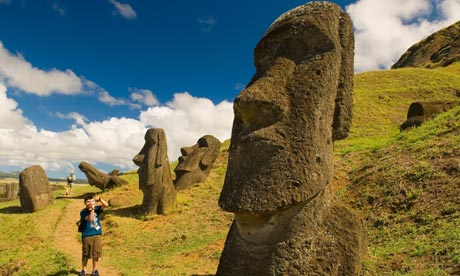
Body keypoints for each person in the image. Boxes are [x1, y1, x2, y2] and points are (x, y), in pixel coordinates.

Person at [79, 194, 109, 276]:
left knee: (96, 253)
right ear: (85, 203)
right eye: (88, 201)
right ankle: (83, 270)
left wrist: (100, 199)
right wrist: (92, 209)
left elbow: (106, 205)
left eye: (92, 201)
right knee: (86, 253)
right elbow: (90, 219)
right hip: (87, 234)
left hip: (97, 234)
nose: (90, 203)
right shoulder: (83, 212)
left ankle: (95, 270)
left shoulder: (97, 209)